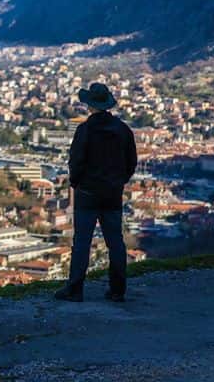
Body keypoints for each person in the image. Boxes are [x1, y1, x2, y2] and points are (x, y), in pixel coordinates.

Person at [54, 82, 137, 303]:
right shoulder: (123, 130)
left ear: (90, 105)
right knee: (115, 242)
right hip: (112, 193)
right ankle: (118, 290)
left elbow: (76, 161)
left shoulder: (85, 130)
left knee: (82, 242)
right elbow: (131, 163)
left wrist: (76, 183)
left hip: (87, 193)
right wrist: (118, 182)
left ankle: (75, 289)